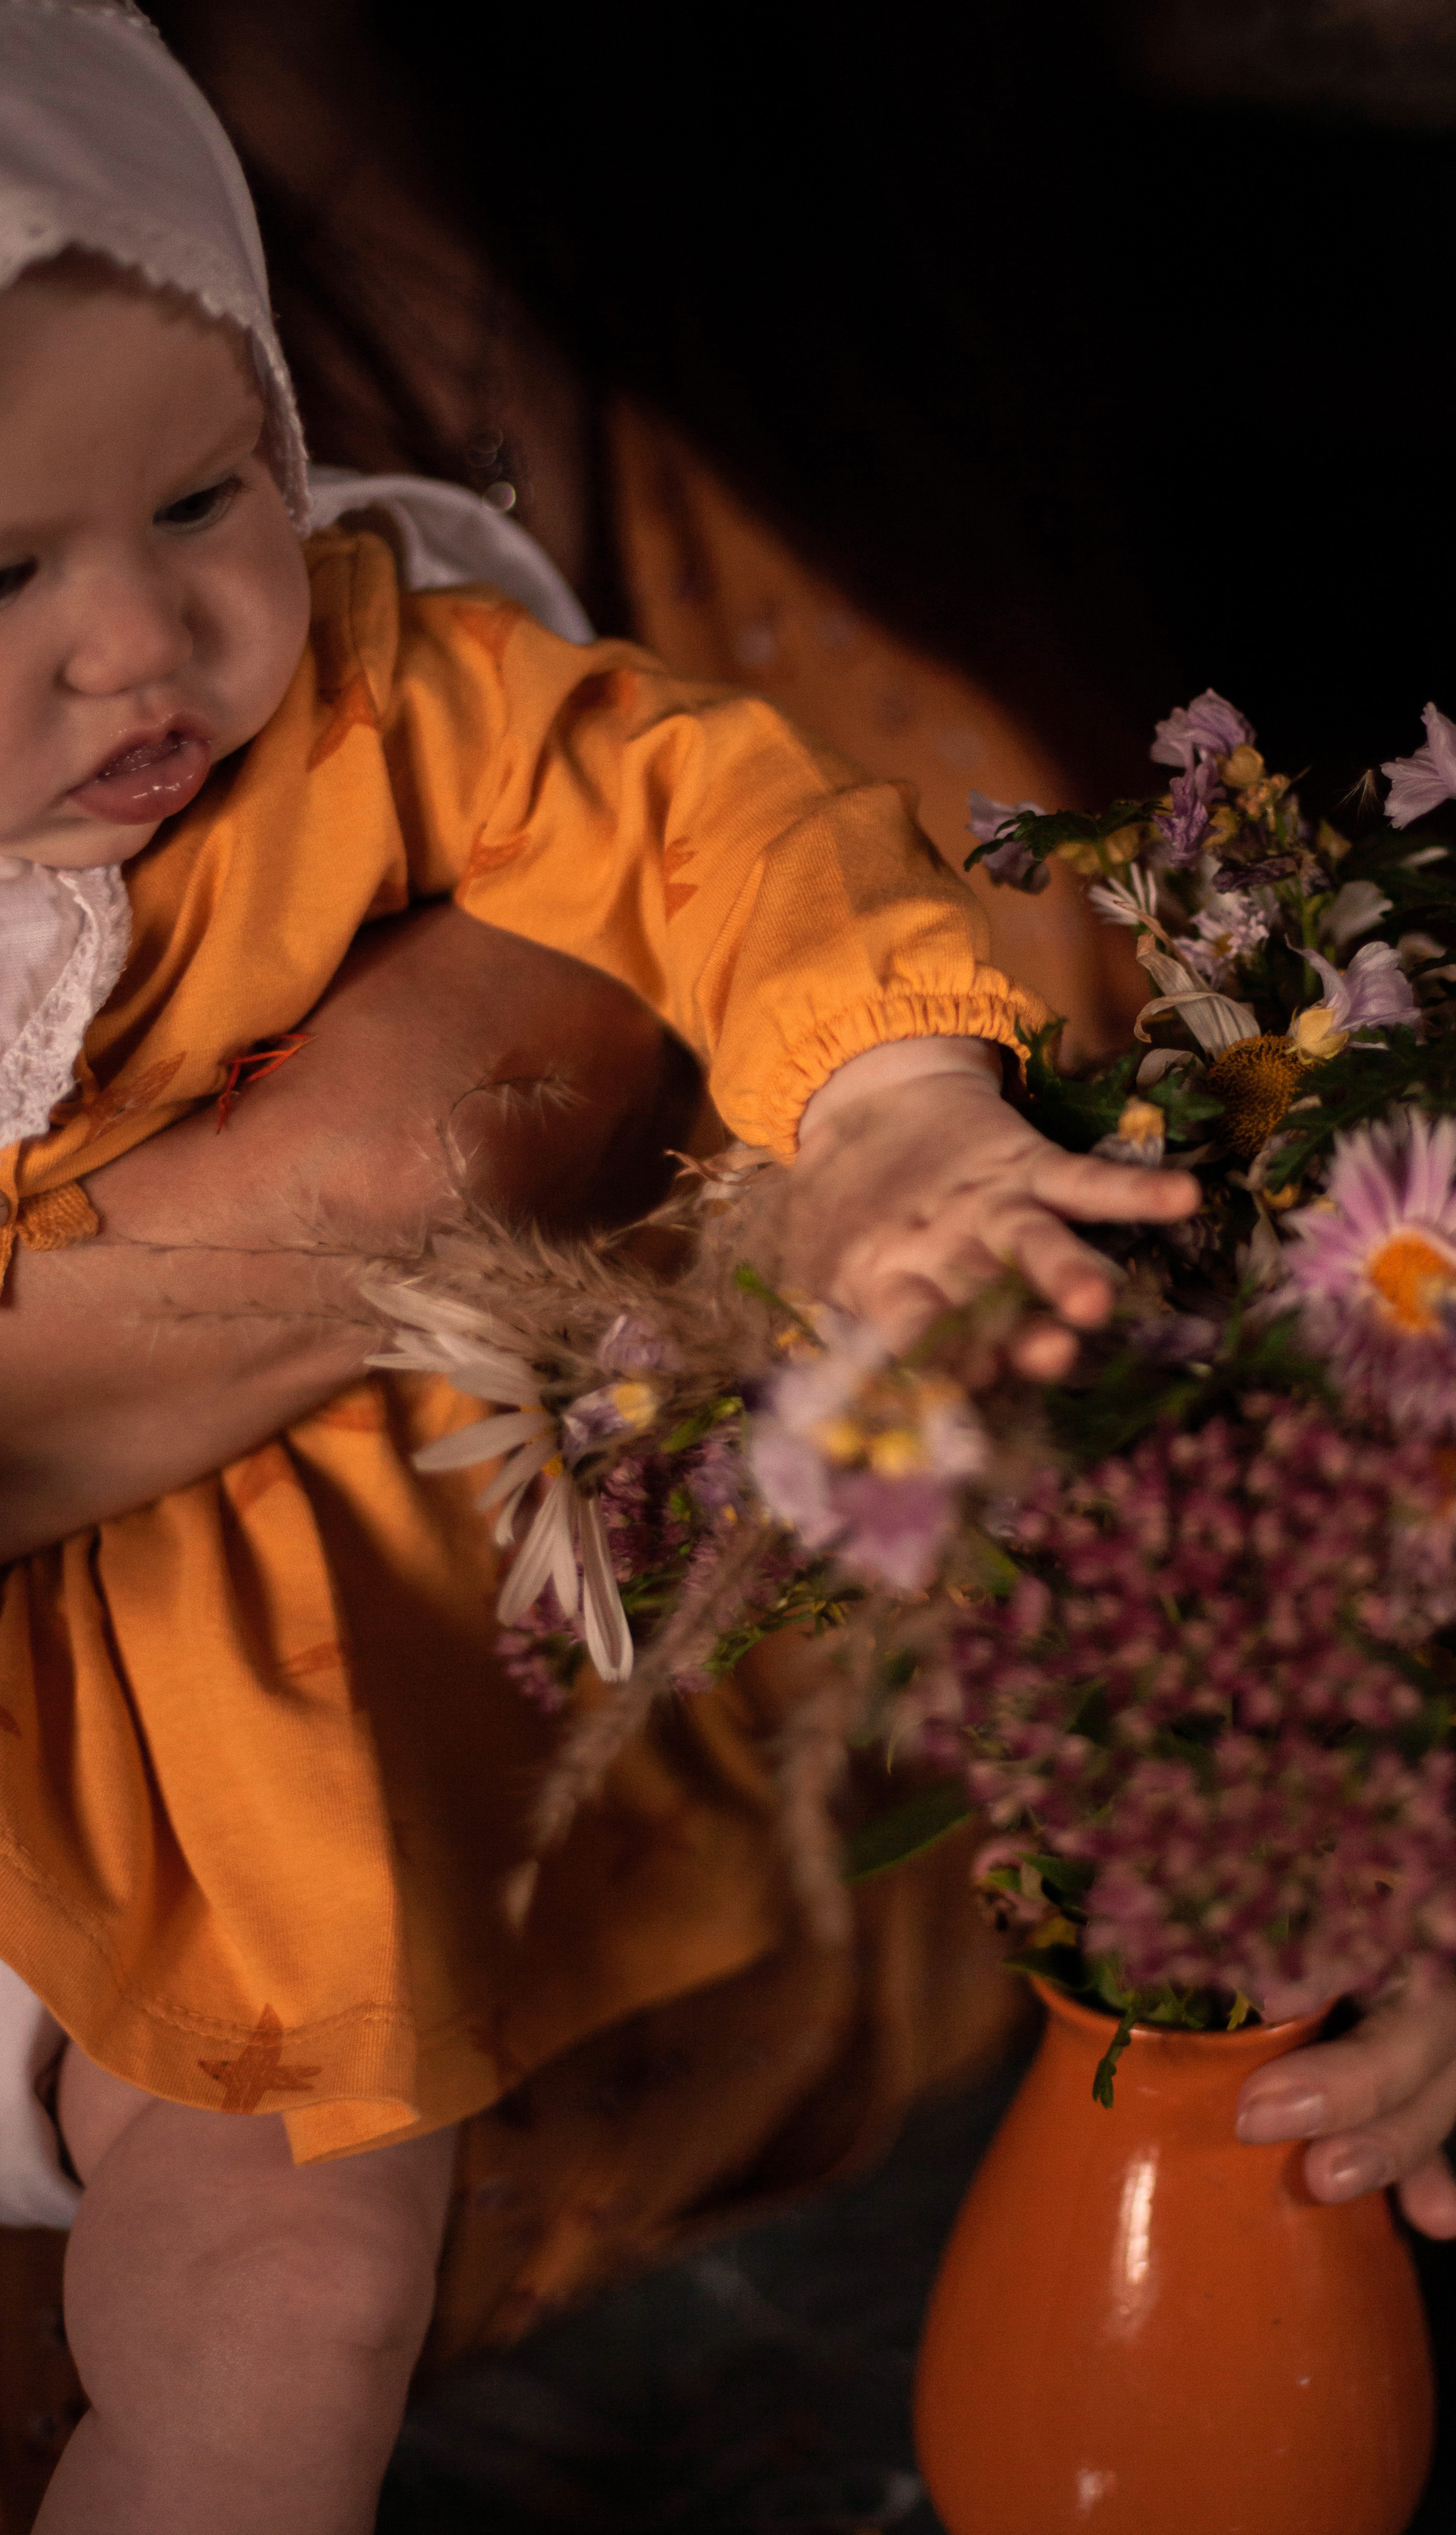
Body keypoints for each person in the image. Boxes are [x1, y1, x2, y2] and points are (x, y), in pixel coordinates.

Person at [0, 6, 1235, 2526]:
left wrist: (889, 1100)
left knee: (281, 2300)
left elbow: (713, 813)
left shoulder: (378, 699)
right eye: (2, 569)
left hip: (237, 1787)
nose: (139, 644)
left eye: (207, 498)